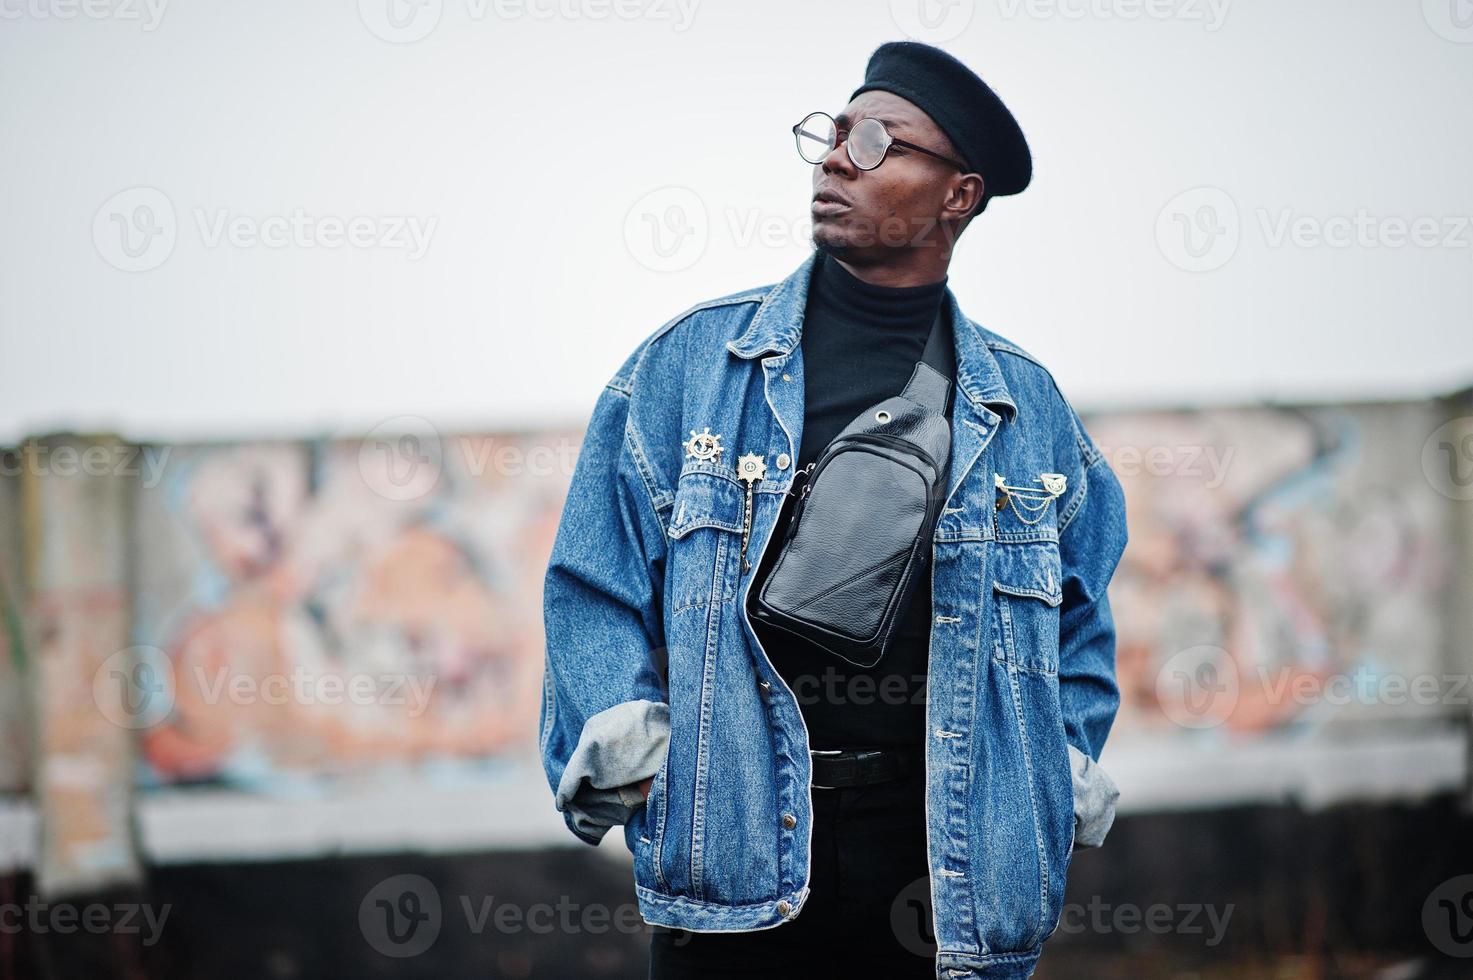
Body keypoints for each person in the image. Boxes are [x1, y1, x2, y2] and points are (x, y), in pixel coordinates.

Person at [540, 40, 1129, 980]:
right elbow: (591, 577)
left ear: (957, 195)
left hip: (949, 875)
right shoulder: (690, 368)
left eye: (874, 141)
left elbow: (1080, 620)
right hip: (734, 858)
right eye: (833, 133)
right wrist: (626, 734)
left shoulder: (1027, 408)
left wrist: (1057, 765)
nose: (832, 158)